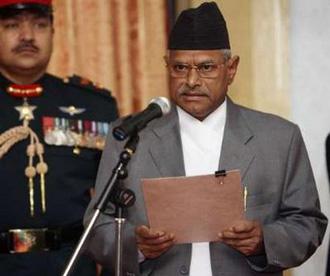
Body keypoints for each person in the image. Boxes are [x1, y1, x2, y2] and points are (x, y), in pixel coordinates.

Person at [84, 2, 327, 276]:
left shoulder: (279, 138)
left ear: (231, 69)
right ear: (167, 67)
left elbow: (308, 224)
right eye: (179, 67)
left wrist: (263, 240)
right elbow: (96, 229)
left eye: (206, 67)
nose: (191, 80)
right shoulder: (131, 136)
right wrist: (135, 244)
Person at [0, 0, 118, 275]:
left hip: (71, 264)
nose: (27, 36)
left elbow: (117, 204)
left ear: (54, 32)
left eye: (40, 25)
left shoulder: (94, 106)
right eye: (12, 26)